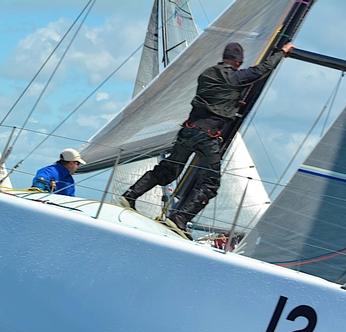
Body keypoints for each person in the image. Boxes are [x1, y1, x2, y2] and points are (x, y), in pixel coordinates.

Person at [121, 41, 295, 234]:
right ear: (238, 61)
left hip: (187, 130)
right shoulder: (236, 77)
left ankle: (130, 195)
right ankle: (179, 218)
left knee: (169, 169)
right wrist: (282, 52)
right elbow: (263, 69)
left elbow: (218, 96)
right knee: (211, 183)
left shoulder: (206, 74)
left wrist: (235, 101)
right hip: (208, 136)